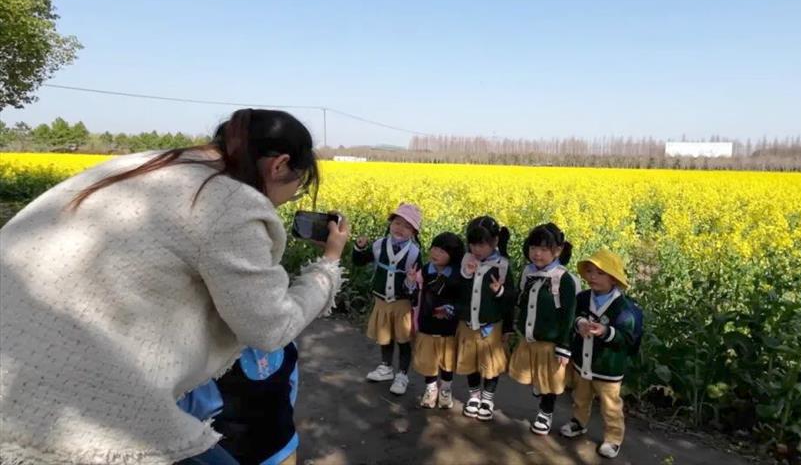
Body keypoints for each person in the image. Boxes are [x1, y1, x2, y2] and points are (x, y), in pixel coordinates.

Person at [0, 109, 349, 463]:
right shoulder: (231, 203)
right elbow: (271, 327)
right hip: (64, 401)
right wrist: (329, 264)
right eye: (297, 187)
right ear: (279, 166)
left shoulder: (150, 165)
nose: (289, 199)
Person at [559, 249, 644, 459]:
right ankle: (579, 423)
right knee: (580, 396)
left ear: (614, 279)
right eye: (589, 272)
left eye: (600, 273)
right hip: (583, 363)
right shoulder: (583, 298)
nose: (592, 277)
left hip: (608, 369)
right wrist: (579, 323)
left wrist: (606, 332)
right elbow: (574, 316)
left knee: (610, 406)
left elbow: (627, 338)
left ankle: (613, 438)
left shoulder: (623, 308)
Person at [507, 223, 579, 435]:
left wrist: (565, 346)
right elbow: (521, 299)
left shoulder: (564, 279)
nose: (536, 254)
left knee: (549, 381)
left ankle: (545, 414)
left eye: (544, 249)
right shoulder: (528, 272)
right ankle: (540, 392)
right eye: (533, 248)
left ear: (557, 251)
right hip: (529, 339)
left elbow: (569, 315)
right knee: (534, 377)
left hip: (551, 343)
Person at [352, 203, 423, 396]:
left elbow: (417, 285)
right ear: (390, 224)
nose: (400, 228)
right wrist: (359, 247)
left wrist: (410, 281)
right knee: (385, 336)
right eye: (397, 223)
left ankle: (402, 374)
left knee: (403, 339)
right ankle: (385, 367)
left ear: (414, 232)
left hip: (401, 304)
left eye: (407, 226)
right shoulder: (379, 245)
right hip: (381, 301)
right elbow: (359, 261)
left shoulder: (415, 253)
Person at [454, 216, 515, 422]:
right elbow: (458, 291)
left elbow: (510, 299)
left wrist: (508, 326)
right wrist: (466, 275)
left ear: (495, 242)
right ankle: (474, 396)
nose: (476, 249)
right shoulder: (465, 260)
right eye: (473, 244)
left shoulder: (503, 266)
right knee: (469, 362)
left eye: (482, 244)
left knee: (491, 364)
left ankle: (487, 399)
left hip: (491, 327)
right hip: (467, 324)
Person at [408, 232, 465, 409]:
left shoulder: (458, 275)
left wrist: (450, 310)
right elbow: (415, 293)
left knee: (447, 362)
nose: (435, 253)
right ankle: (431, 389)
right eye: (434, 248)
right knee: (428, 360)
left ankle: (446, 390)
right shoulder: (425, 270)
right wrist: (412, 282)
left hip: (448, 327)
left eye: (441, 251)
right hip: (427, 324)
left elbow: (461, 300)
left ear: (453, 255)